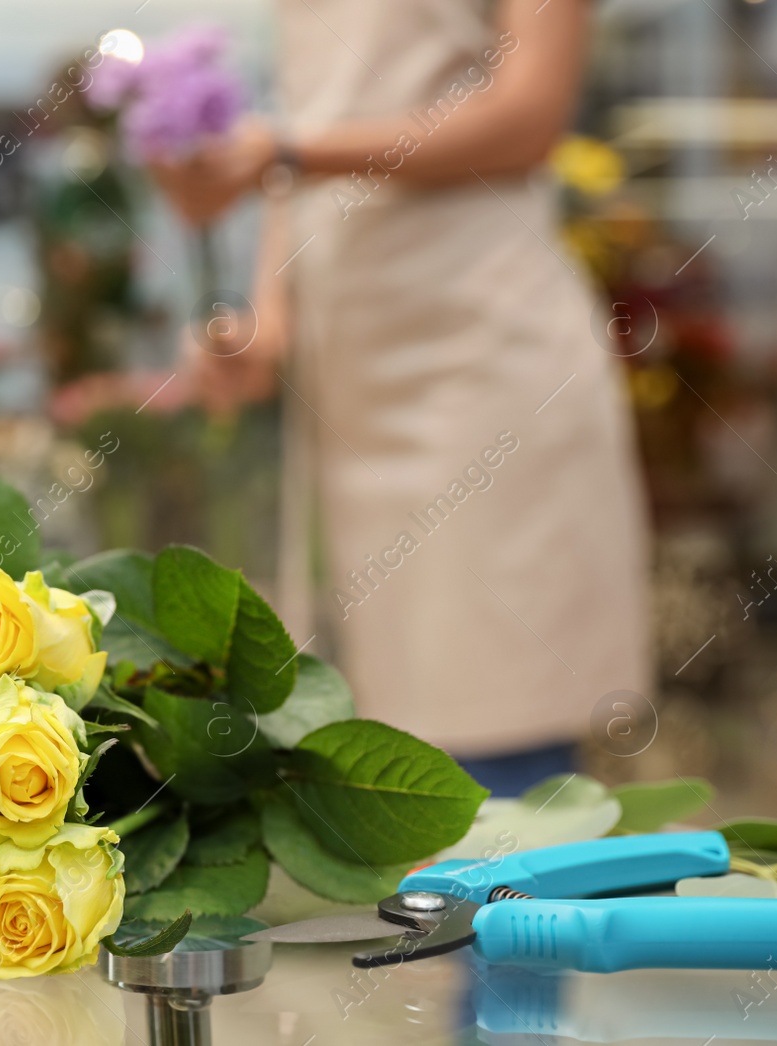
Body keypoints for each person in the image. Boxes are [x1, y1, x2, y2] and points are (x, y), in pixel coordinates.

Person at [150, 0, 650, 796]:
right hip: (354, 392)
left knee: (494, 756)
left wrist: (282, 153)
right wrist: (265, 326)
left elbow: (526, 117)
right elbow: (316, 124)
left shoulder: (298, 152)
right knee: (392, 766)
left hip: (480, 354)